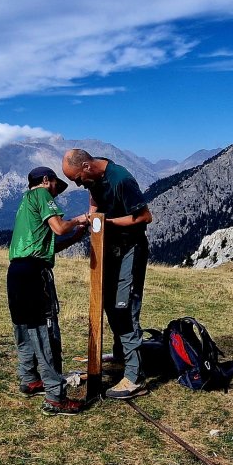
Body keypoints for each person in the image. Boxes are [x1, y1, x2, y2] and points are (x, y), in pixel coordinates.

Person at [61, 149, 153, 400]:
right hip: (109, 249)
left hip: (130, 250)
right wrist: (92, 217)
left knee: (125, 308)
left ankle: (135, 378)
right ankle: (123, 356)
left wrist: (107, 222)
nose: (78, 184)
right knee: (109, 304)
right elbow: (95, 200)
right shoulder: (96, 180)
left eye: (78, 179)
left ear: (87, 168)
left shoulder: (120, 179)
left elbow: (145, 216)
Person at [8, 166, 87, 415]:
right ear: (45, 181)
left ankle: (30, 379)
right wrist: (79, 220)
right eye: (55, 186)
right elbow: (60, 227)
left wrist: (75, 239)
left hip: (16, 272)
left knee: (24, 327)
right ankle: (56, 398)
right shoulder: (41, 194)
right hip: (34, 274)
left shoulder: (25, 203)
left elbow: (47, 245)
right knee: (45, 330)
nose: (55, 195)